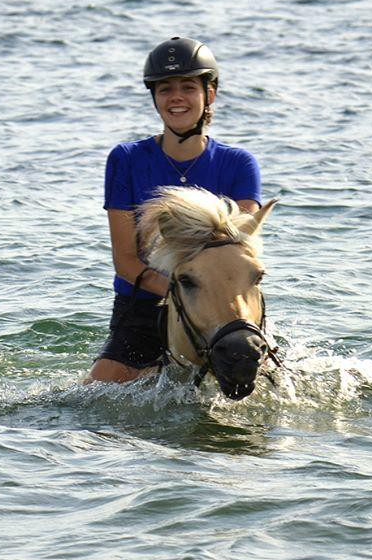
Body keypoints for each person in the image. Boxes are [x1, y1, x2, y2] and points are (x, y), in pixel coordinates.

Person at [85, 36, 262, 384]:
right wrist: (181, 291)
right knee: (94, 400)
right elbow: (126, 262)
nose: (176, 97)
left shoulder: (239, 163)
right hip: (143, 306)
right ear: (154, 97)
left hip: (222, 304)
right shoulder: (126, 159)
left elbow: (240, 251)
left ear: (209, 95)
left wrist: (204, 297)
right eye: (165, 89)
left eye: (187, 87)